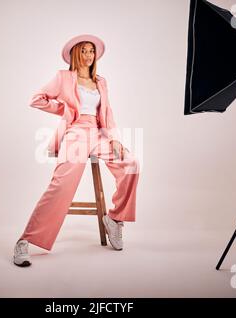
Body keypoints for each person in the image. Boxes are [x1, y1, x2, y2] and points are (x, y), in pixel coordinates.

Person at [13, 34, 140, 267]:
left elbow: (108, 113)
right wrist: (64, 109)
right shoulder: (63, 77)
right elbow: (36, 99)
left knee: (131, 164)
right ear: (75, 54)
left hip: (100, 133)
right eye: (83, 50)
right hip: (76, 132)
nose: (88, 55)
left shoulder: (101, 81)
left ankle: (114, 219)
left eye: (91, 51)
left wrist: (114, 138)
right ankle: (26, 240)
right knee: (60, 185)